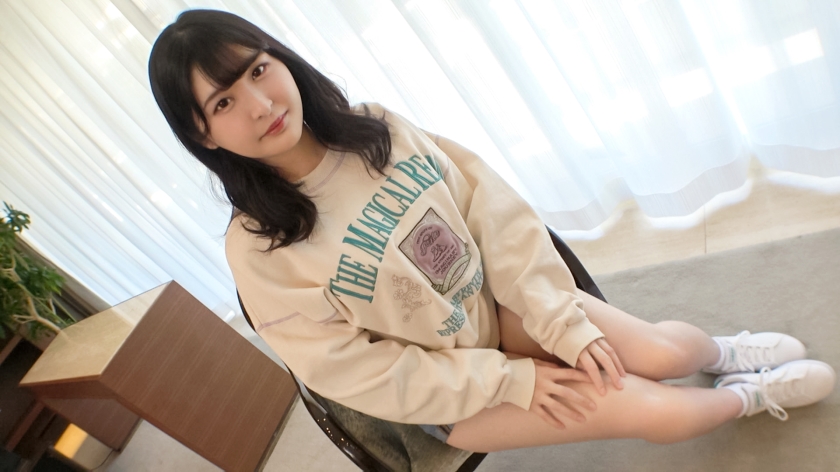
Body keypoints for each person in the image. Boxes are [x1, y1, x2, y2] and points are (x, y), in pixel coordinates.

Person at [148, 9, 836, 453]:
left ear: (281, 58)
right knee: (660, 413)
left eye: (259, 69)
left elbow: (492, 214)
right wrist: (511, 380)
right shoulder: (260, 253)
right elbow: (358, 374)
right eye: (225, 101)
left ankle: (725, 353)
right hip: (456, 393)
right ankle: (751, 396)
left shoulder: (375, 128)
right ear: (202, 134)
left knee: (662, 351)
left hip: (502, 308)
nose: (261, 104)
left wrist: (556, 321)